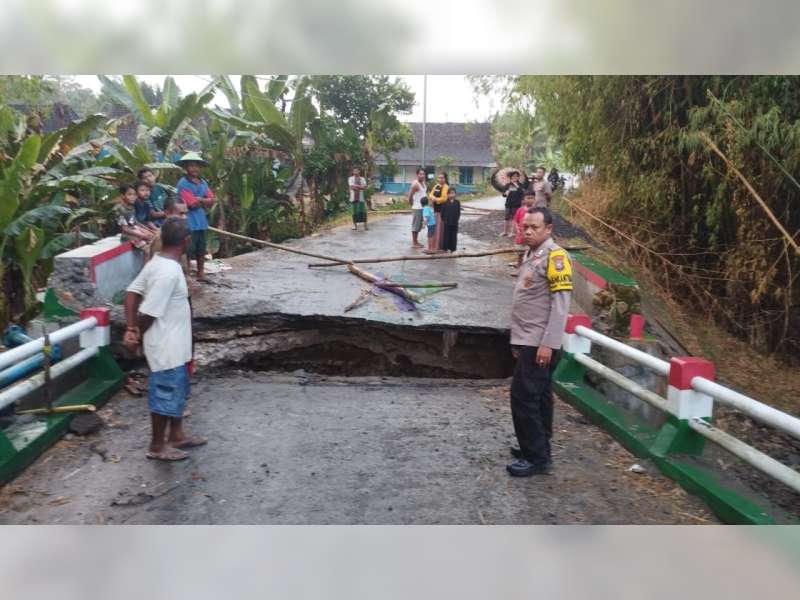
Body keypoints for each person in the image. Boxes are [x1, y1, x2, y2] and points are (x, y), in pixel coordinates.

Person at [124, 217, 207, 461]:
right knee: (165, 392)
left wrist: (130, 327)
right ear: (186, 241)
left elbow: (131, 293)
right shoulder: (168, 273)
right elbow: (148, 312)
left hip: (176, 343)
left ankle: (177, 435)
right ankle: (157, 445)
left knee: (178, 388)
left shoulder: (158, 262)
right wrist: (136, 334)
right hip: (166, 344)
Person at [507, 206, 573, 477]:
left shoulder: (556, 257)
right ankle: (538, 446)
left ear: (549, 229)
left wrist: (549, 344)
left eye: (535, 227)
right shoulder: (532, 253)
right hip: (529, 339)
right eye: (526, 227)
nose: (529, 231)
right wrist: (517, 340)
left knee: (523, 397)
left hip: (541, 342)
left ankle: (535, 458)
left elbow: (561, 305)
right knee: (541, 397)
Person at [175, 152, 215, 280]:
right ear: (186, 167)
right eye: (191, 166)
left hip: (201, 221)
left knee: (201, 248)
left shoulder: (203, 182)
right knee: (188, 249)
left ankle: (200, 272)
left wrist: (201, 200)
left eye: (197, 166)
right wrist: (203, 200)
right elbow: (191, 204)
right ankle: (186, 273)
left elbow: (212, 199)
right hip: (188, 221)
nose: (194, 169)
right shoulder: (183, 183)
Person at [113, 184, 155, 254]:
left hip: (133, 230)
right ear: (122, 196)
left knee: (153, 237)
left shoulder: (131, 207)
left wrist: (150, 231)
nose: (133, 197)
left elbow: (135, 222)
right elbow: (124, 229)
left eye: (134, 195)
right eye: (130, 194)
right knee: (148, 249)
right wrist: (142, 235)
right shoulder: (119, 209)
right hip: (125, 235)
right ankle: (146, 263)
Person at [510, 191, 536, 277]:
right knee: (520, 254)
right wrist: (517, 229)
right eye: (528, 198)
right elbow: (515, 221)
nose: (530, 200)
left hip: (532, 236)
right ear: (523, 200)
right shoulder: (520, 210)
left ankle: (529, 271)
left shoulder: (536, 211)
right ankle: (519, 269)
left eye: (532, 198)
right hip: (521, 236)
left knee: (531, 254)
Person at [407, 167, 427, 248]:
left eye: (423, 174)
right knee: (415, 225)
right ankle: (414, 242)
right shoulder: (416, 184)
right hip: (417, 207)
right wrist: (413, 205)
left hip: (421, 207)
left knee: (418, 225)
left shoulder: (423, 183)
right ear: (417, 175)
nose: (422, 175)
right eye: (420, 174)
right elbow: (410, 196)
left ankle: (416, 241)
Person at [429, 172, 449, 249]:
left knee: (440, 228)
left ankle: (440, 246)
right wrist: (432, 198)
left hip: (442, 211)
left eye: (442, 178)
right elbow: (430, 194)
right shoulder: (436, 186)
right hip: (435, 211)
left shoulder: (446, 187)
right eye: (439, 178)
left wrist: (435, 199)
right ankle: (435, 245)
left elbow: (444, 199)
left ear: (445, 179)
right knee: (435, 227)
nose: (440, 179)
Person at [502, 170, 524, 237]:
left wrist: (516, 185)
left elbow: (522, 193)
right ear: (511, 177)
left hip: (516, 204)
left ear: (518, 177)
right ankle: (505, 232)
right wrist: (505, 193)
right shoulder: (508, 185)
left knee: (514, 219)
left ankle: (513, 232)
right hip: (508, 204)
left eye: (517, 176)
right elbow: (504, 195)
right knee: (506, 218)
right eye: (513, 176)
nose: (515, 177)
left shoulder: (520, 185)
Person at [440, 187, 461, 253]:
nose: (452, 195)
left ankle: (453, 248)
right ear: (448, 194)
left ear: (455, 194)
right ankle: (445, 248)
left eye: (453, 193)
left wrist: (457, 219)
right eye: (450, 193)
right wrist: (444, 220)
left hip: (454, 222)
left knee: (454, 235)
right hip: (447, 222)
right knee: (446, 235)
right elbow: (442, 213)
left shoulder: (457, 202)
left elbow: (458, 212)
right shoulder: (445, 203)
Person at [348, 166, 368, 231]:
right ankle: (355, 226)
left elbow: (364, 187)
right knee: (354, 212)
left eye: (357, 171)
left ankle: (365, 226)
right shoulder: (350, 179)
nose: (356, 172)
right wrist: (360, 187)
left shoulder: (362, 179)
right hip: (353, 198)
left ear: (359, 171)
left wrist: (356, 186)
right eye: (354, 171)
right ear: (353, 172)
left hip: (361, 198)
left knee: (363, 212)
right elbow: (351, 187)